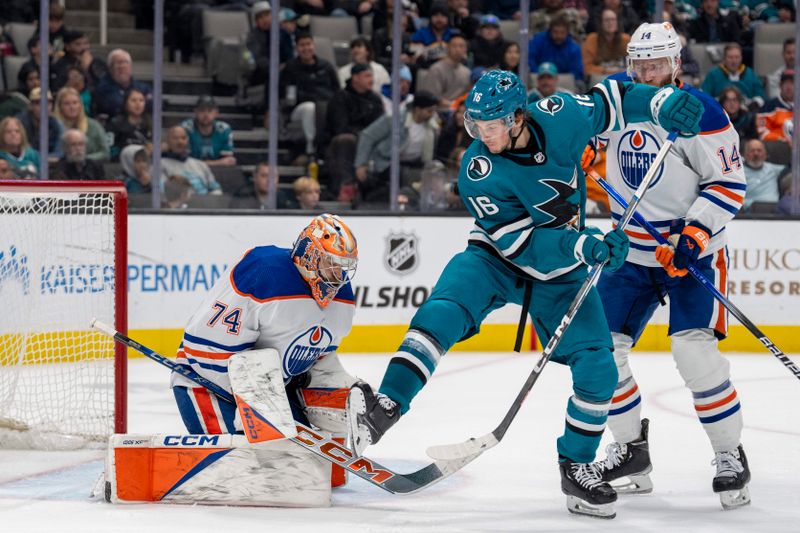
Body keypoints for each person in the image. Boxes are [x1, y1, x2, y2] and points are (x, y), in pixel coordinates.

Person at [348, 68, 703, 519]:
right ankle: (385, 406)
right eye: (474, 126)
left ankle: (577, 465)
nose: (479, 136)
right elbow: (526, 248)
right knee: (442, 312)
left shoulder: (561, 115)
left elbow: (613, 98)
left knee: (598, 365)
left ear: (517, 118)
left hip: (564, 273)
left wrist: (659, 105)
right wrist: (584, 244)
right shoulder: (477, 170)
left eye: (489, 127)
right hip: (495, 260)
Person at [590, 22, 751, 511]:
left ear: (675, 64)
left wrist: (692, 233)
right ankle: (631, 453)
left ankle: (730, 455)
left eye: (656, 64)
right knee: (602, 353)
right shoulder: (614, 101)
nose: (646, 72)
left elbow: (729, 181)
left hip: (690, 253)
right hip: (632, 254)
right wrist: (580, 153)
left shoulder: (699, 111)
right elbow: (584, 146)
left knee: (693, 354)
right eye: (639, 64)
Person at [171, 214, 359, 488]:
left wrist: (331, 394)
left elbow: (316, 360)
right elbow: (204, 350)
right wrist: (254, 405)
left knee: (302, 472)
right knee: (264, 475)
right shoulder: (262, 272)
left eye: (344, 268)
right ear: (310, 254)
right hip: (206, 384)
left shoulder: (343, 297)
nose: (337, 276)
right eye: (332, 265)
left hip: (271, 393)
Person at [160, 126, 223, 196]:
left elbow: (216, 189)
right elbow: (162, 192)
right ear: (167, 141)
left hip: (205, 204)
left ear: (187, 140)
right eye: (175, 138)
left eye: (183, 138)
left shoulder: (201, 164)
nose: (180, 142)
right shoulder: (159, 165)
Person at [93, 49, 152, 119]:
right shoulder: (102, 88)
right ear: (110, 68)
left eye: (125, 62)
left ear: (131, 66)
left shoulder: (143, 87)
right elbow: (115, 105)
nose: (121, 67)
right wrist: (142, 101)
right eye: (117, 63)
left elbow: (154, 105)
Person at [54, 87, 109, 161]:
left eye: (75, 103)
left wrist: (84, 159)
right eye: (67, 104)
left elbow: (105, 153)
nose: (72, 107)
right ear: (59, 107)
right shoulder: (53, 126)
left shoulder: (94, 125)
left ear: (80, 105)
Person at [701, 43, 765, 108]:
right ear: (724, 58)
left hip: (746, 112)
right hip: (720, 112)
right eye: (730, 57)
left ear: (741, 57)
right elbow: (703, 96)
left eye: (737, 57)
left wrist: (754, 105)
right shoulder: (713, 74)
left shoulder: (750, 73)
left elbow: (760, 95)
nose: (734, 61)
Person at [179, 96, 235, 167]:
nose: (206, 115)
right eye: (202, 110)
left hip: (218, 171)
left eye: (210, 111)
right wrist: (217, 163)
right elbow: (184, 160)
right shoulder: (185, 128)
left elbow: (228, 161)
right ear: (195, 112)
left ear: (216, 113)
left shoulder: (224, 129)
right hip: (191, 171)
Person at [107, 88, 152, 161]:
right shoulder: (115, 123)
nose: (138, 104)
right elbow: (109, 147)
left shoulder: (150, 123)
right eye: (133, 100)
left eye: (141, 100)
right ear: (125, 103)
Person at [742, 139, 783, 210]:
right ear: (745, 155)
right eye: (752, 150)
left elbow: (794, 170)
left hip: (773, 214)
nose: (756, 153)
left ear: (765, 154)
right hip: (746, 215)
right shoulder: (738, 172)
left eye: (759, 150)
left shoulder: (774, 169)